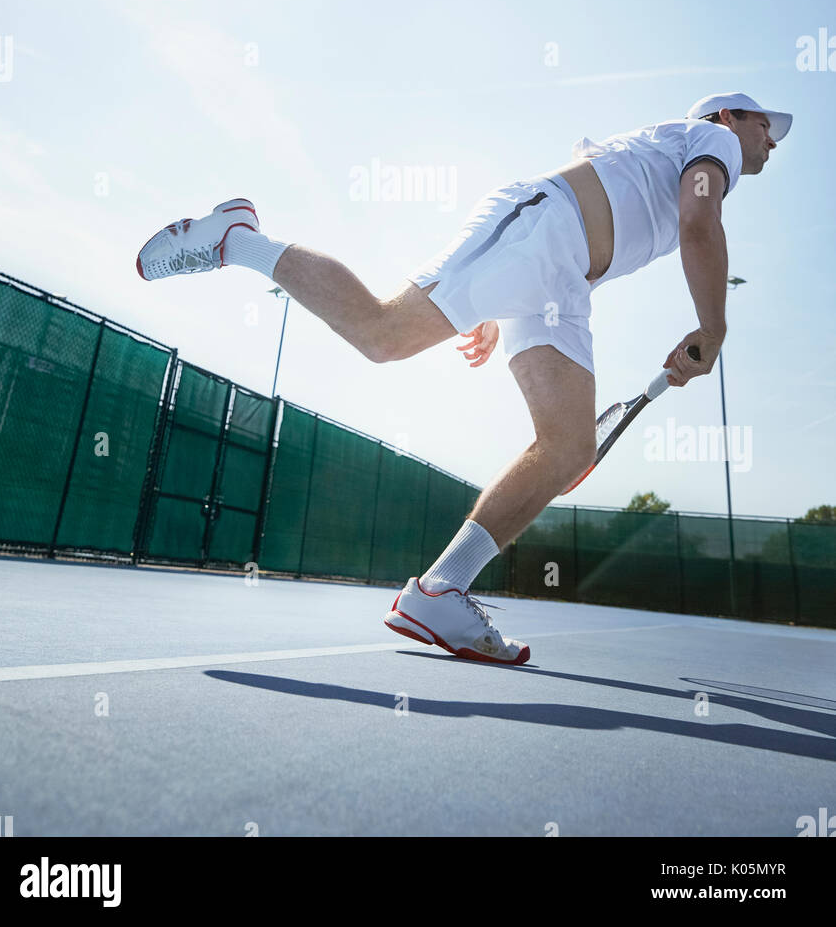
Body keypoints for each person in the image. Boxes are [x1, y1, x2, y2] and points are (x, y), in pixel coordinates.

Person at [136, 91, 791, 666]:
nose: (771, 139)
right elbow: (699, 221)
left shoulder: (675, 146)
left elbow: (625, 207)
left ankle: (441, 590)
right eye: (767, 125)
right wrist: (713, 327)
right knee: (384, 334)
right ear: (730, 115)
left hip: (558, 273)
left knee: (569, 446)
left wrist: (501, 297)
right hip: (543, 233)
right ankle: (240, 238)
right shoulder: (713, 139)